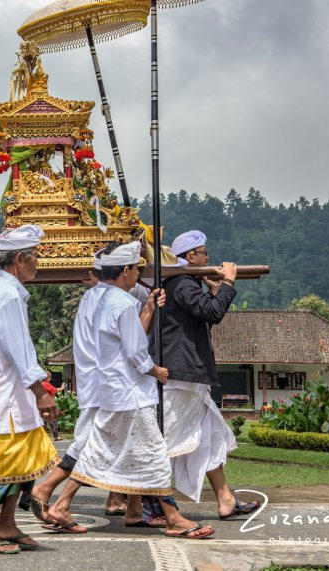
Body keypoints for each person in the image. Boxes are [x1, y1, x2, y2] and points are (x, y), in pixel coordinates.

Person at [47, 241, 214, 540]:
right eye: (136, 268)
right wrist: (156, 371)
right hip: (130, 392)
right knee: (152, 455)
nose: (138, 273)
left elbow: (123, 340)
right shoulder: (122, 303)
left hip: (111, 389)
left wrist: (148, 307)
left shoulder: (95, 298)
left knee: (102, 451)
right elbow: (135, 351)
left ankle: (64, 503)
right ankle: (173, 517)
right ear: (125, 270)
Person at [0, 224, 60, 554]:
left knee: (23, 460)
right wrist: (41, 391)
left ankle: (6, 524)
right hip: (2, 394)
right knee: (2, 465)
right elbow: (16, 347)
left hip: (9, 391)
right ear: (20, 258)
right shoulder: (4, 295)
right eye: (34, 257)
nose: (37, 263)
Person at [159, 230, 258, 519]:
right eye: (203, 252)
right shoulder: (182, 284)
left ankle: (225, 498)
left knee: (210, 437)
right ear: (191, 257)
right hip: (181, 378)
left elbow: (203, 320)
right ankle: (146, 502)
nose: (208, 257)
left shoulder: (184, 285)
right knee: (170, 440)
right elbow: (212, 313)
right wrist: (227, 281)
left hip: (190, 377)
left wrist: (217, 290)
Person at [29, 250, 127, 522]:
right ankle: (48, 490)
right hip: (108, 385)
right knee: (93, 445)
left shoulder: (90, 298)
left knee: (101, 443)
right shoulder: (113, 301)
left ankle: (117, 498)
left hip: (95, 383)